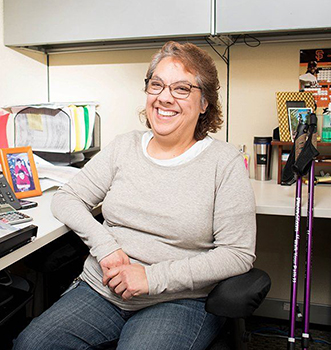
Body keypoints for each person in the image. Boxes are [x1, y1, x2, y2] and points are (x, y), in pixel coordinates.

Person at [13, 41, 256, 350]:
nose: (164, 97)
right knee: (30, 344)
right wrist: (105, 246)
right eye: (157, 85)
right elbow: (67, 197)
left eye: (182, 89)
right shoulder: (124, 147)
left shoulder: (224, 162)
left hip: (177, 301)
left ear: (205, 102)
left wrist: (151, 279)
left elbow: (237, 253)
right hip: (102, 289)